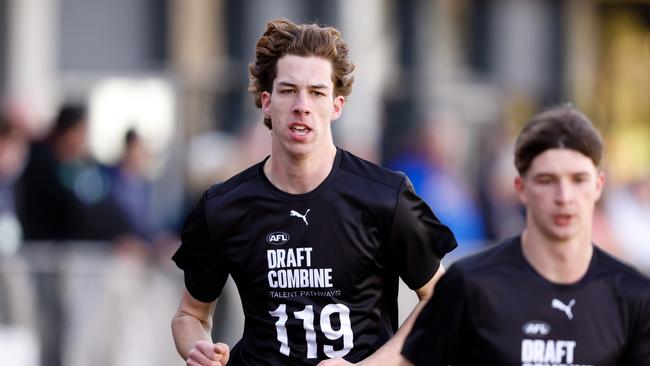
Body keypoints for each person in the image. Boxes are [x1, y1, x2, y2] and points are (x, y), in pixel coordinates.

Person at [171, 18, 457, 366]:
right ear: (267, 101)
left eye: (317, 92)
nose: (302, 105)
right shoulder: (224, 206)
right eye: (288, 90)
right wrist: (198, 348)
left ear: (336, 106)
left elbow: (441, 301)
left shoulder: (385, 196)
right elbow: (191, 315)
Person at [401, 106, 650, 365]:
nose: (564, 197)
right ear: (521, 188)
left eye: (578, 179)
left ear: (598, 186)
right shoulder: (469, 284)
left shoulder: (633, 296)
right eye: (547, 180)